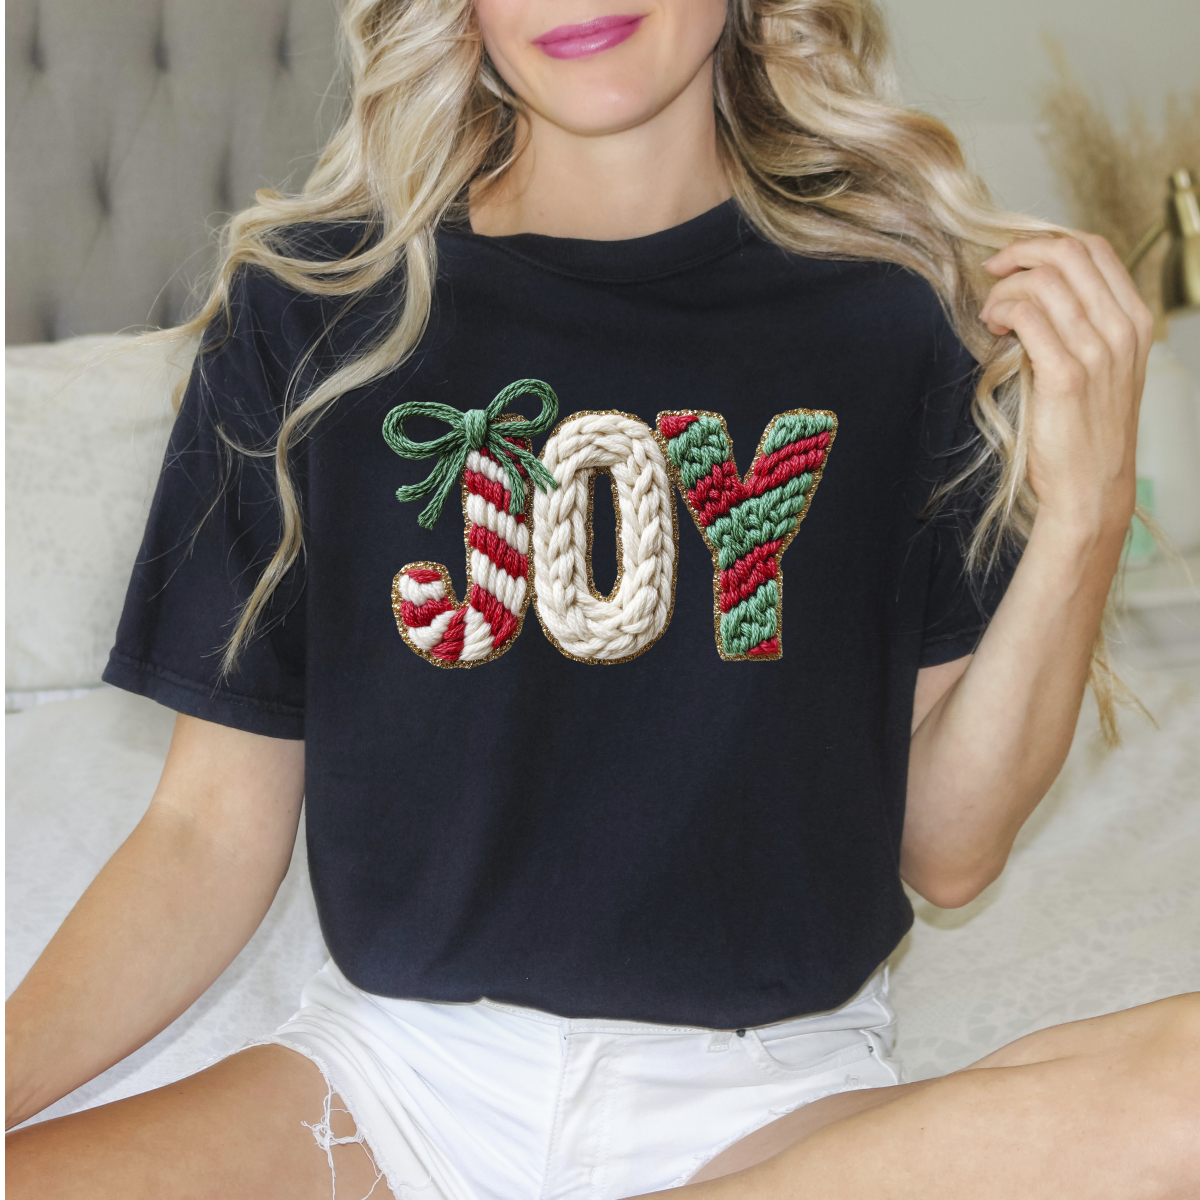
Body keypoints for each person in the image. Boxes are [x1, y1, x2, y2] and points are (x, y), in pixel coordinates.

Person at [6, 2, 1198, 1197]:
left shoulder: (895, 315)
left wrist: (1087, 515)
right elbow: (206, 833)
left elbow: (948, 852)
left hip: (770, 1106)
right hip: (391, 1089)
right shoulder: (317, 305)